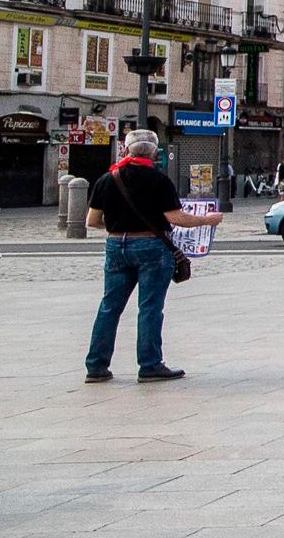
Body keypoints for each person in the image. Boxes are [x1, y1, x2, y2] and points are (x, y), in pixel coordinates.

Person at [82, 130, 221, 384]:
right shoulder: (159, 181)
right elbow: (176, 218)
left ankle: (96, 366)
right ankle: (149, 364)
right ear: (154, 154)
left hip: (116, 245)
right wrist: (207, 220)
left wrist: (119, 226)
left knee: (109, 307)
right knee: (150, 307)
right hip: (151, 247)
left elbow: (92, 221)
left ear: (126, 150)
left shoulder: (107, 178)